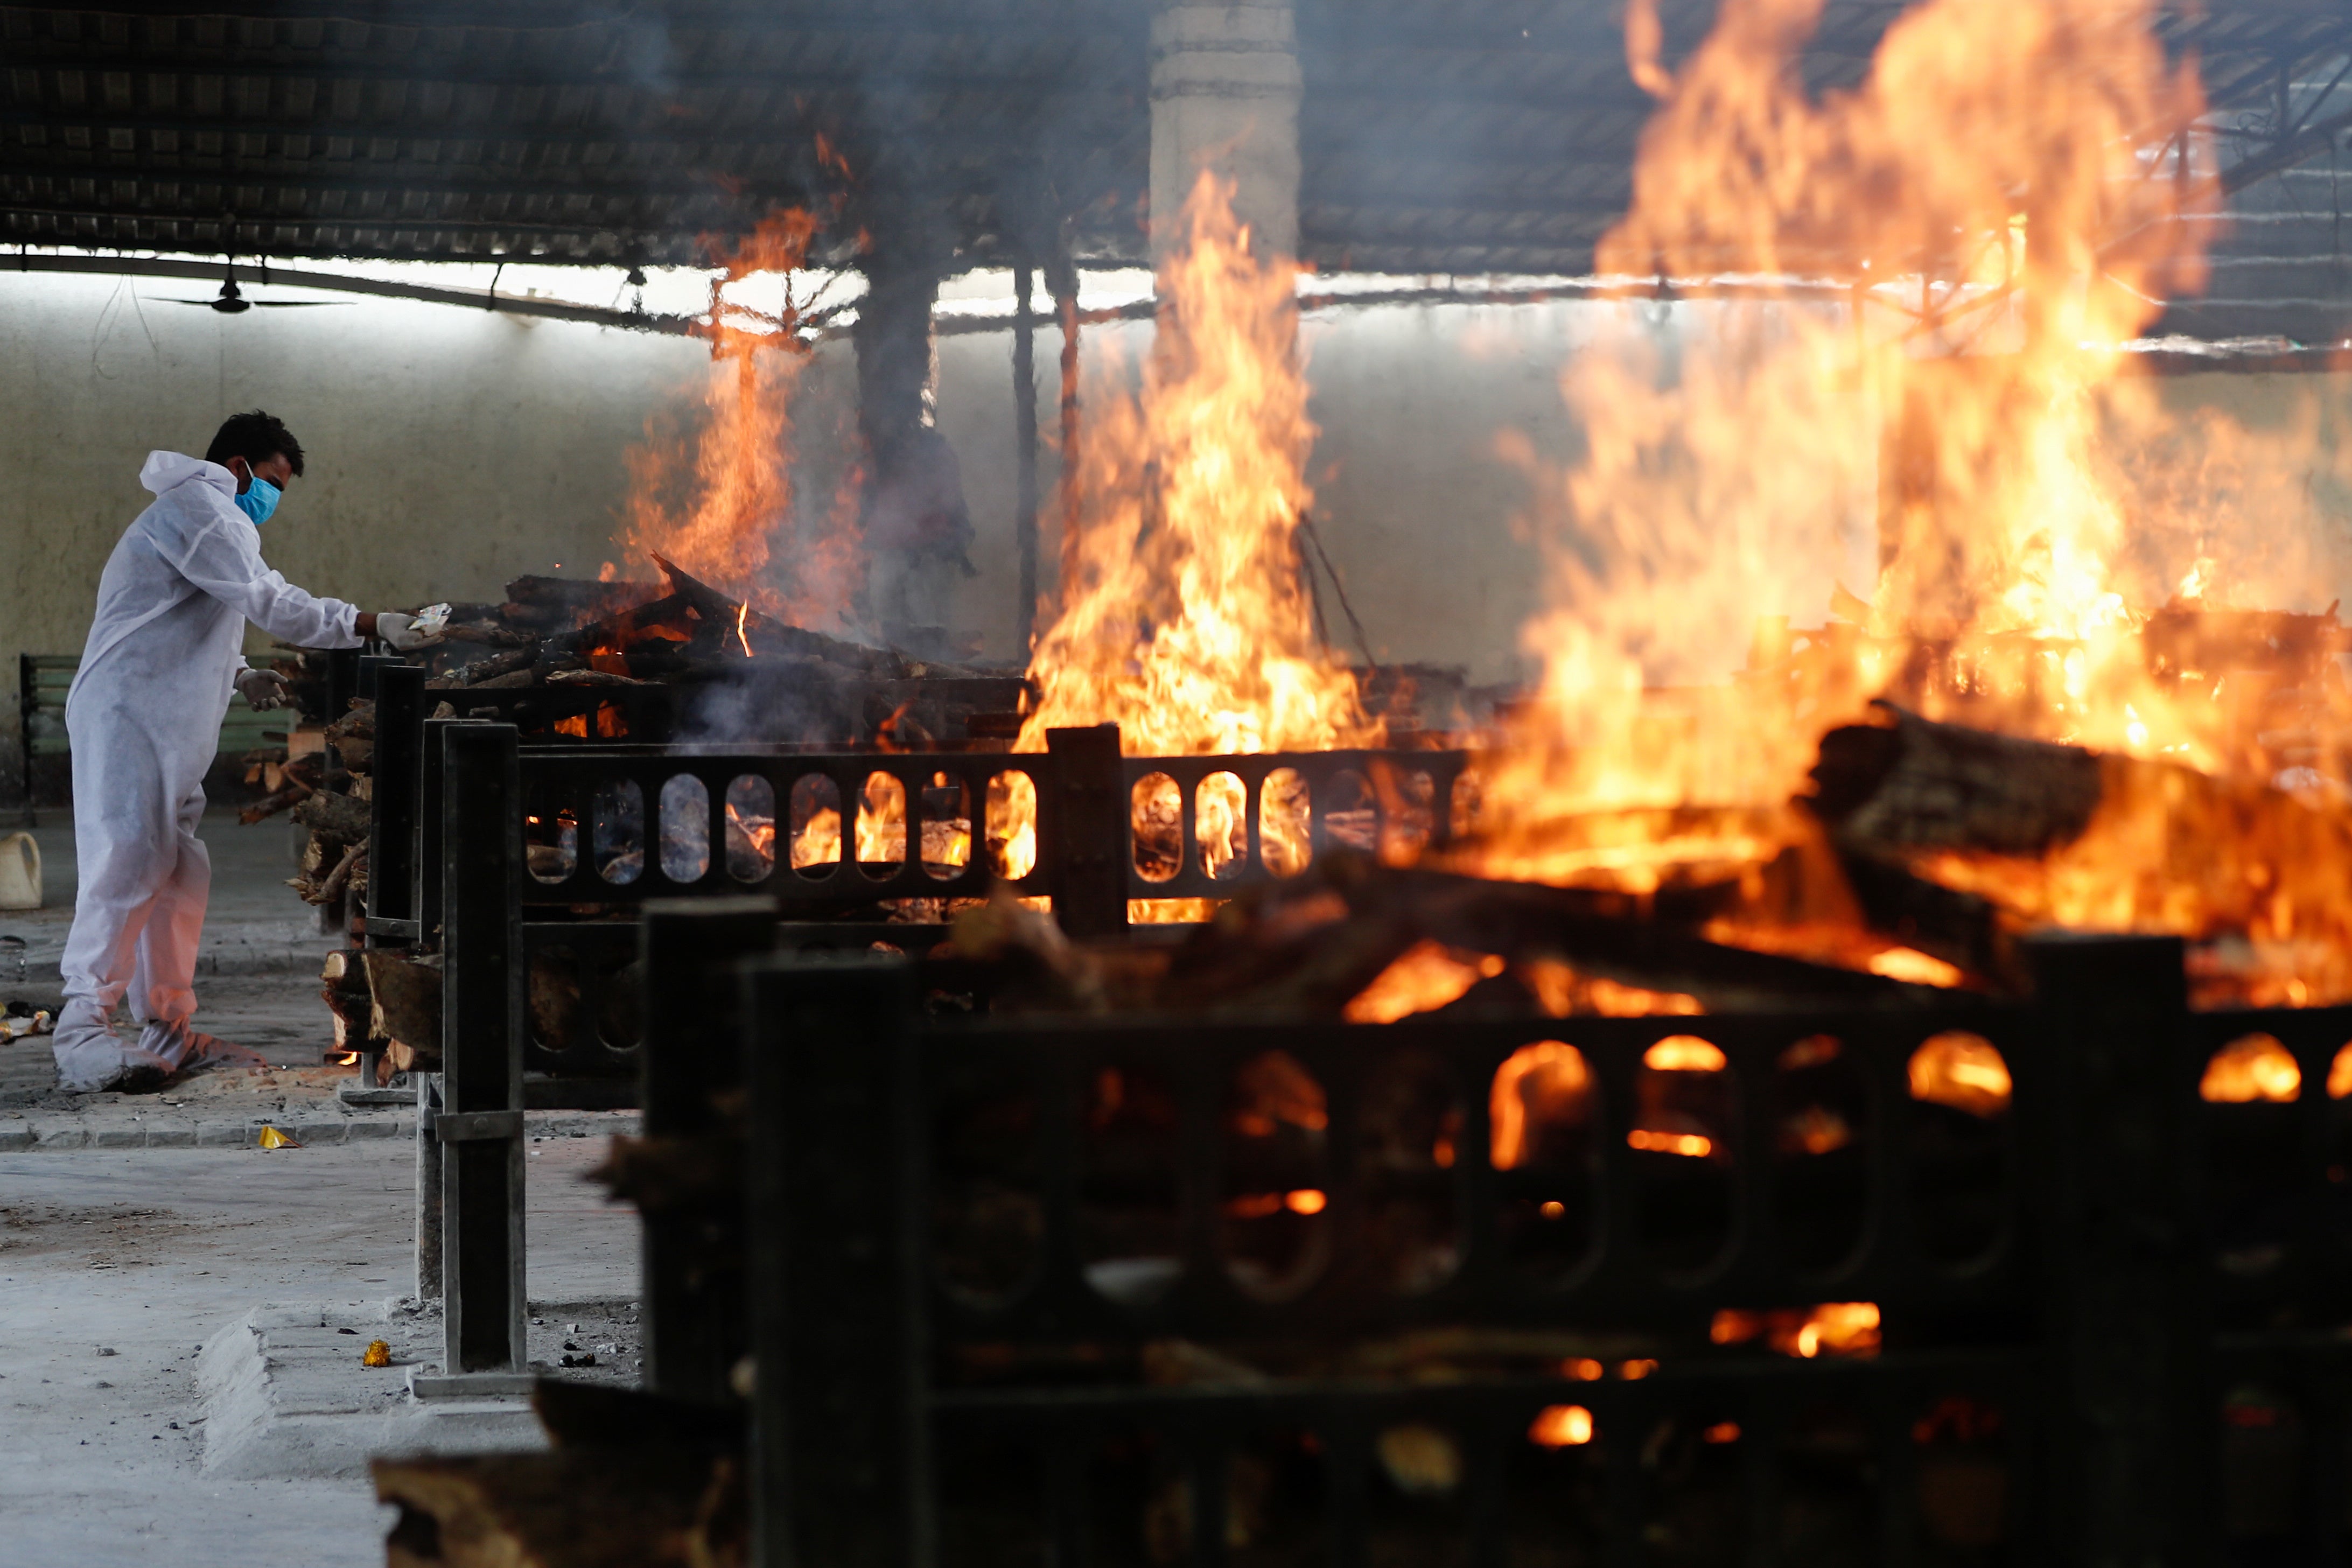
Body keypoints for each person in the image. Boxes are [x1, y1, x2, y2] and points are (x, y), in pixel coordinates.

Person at [52, 411, 433, 1093]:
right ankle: (81, 1030)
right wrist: (369, 623)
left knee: (177, 873)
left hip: (160, 717)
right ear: (238, 466)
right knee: (129, 859)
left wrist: (236, 673)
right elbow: (270, 601)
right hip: (129, 714)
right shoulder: (204, 508)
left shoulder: (207, 517)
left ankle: (168, 1030)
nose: (274, 499)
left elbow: (172, 615)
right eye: (274, 482)